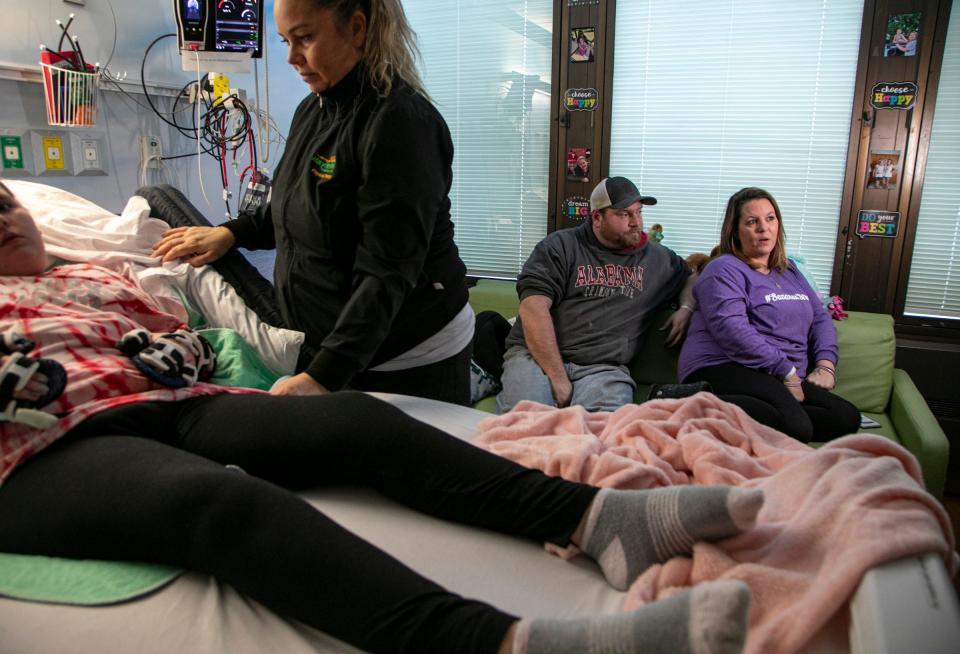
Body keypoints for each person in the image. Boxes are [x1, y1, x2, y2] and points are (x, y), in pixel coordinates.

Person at [0, 181, 758, 653]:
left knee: (359, 420)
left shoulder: (102, 275)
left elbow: (192, 339)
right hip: (35, 445)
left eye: (7, 202)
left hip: (164, 399)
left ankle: (601, 519)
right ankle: (504, 643)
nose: (5, 217)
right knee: (214, 502)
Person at [153, 0, 474, 405]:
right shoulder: (314, 108)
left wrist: (325, 374)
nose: (291, 57)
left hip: (406, 356)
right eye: (286, 40)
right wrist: (229, 233)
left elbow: (387, 270)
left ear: (357, 28)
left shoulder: (399, 124)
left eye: (304, 38)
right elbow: (291, 208)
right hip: (334, 342)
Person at [497, 177, 696, 414]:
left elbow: (691, 277)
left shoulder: (658, 259)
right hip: (536, 358)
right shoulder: (560, 246)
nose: (636, 223)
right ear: (597, 218)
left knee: (602, 435)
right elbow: (533, 308)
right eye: (624, 214)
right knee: (524, 425)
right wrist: (558, 378)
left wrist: (686, 309)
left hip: (604, 368)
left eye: (638, 212)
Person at [677, 187, 861, 443]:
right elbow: (733, 331)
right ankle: (681, 404)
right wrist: (786, 371)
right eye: (752, 221)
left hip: (775, 373)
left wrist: (825, 364)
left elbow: (819, 318)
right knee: (797, 427)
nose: (764, 228)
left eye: (770, 218)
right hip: (723, 364)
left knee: (845, 417)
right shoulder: (724, 269)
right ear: (735, 231)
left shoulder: (789, 270)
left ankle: (764, 412)